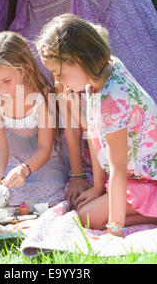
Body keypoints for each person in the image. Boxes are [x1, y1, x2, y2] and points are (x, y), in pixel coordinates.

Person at [37, 14, 157, 237]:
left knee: (89, 218)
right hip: (152, 177)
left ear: (78, 60)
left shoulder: (112, 98)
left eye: (59, 73)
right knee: (84, 210)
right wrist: (97, 187)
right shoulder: (104, 69)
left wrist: (114, 230)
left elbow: (118, 170)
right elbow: (96, 134)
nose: (58, 81)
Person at [0, 31, 69, 206]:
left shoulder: (41, 98)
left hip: (43, 162)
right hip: (12, 163)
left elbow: (45, 147)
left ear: (24, 69)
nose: (0, 88)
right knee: (3, 196)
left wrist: (25, 170)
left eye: (6, 80)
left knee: (55, 192)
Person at [60, 23, 109, 208]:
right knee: (76, 203)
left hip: (113, 159)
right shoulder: (66, 83)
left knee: (91, 209)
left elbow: (96, 133)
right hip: (91, 161)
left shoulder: (108, 88)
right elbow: (72, 130)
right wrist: (78, 175)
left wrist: (99, 186)